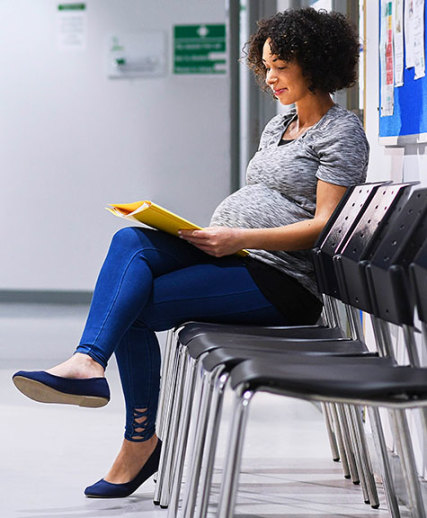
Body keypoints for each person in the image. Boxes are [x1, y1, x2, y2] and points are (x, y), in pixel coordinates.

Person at [12, 7, 368, 499]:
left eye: (281, 65)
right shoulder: (278, 126)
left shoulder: (341, 131)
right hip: (235, 258)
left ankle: (137, 440)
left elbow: (324, 227)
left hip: (282, 281)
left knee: (133, 308)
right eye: (265, 66)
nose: (270, 78)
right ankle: (88, 363)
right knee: (131, 239)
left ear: (316, 63)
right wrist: (210, 235)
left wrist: (238, 237)